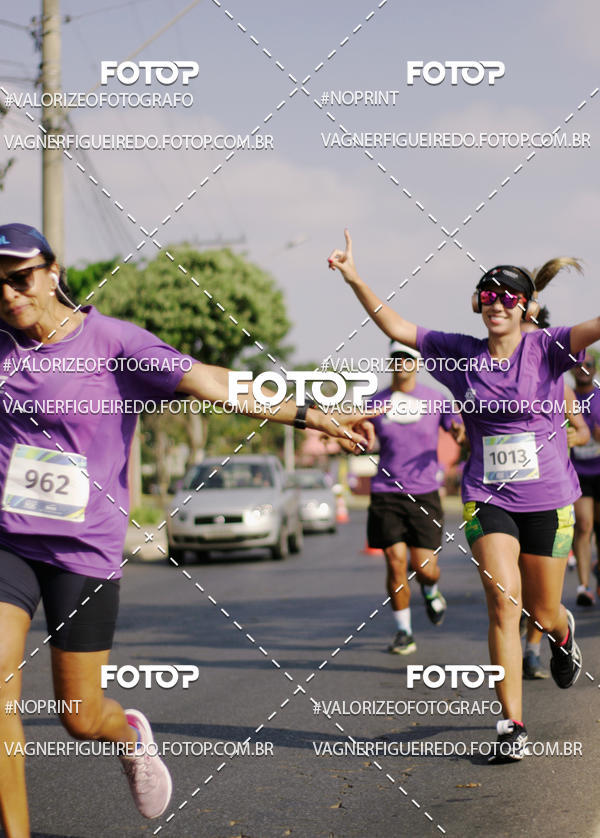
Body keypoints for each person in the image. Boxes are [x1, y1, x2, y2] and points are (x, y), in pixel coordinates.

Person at [0, 223, 376, 838]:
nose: (11, 295)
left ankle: (129, 736)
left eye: (21, 278)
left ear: (51, 271)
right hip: (8, 540)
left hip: (84, 551)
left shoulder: (113, 343)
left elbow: (219, 385)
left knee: (81, 715)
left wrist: (313, 414)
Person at [329, 230, 591, 763]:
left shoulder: (549, 346)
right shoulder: (457, 354)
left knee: (542, 611)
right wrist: (355, 277)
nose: (497, 303)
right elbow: (396, 326)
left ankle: (562, 636)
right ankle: (512, 725)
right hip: (486, 499)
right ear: (478, 304)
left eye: (508, 296)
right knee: (503, 605)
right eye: (488, 295)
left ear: (526, 307)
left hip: (549, 498)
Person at [368, 339, 461, 654]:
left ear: (417, 363)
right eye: (396, 358)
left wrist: (461, 432)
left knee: (424, 568)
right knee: (395, 563)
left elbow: (456, 429)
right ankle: (404, 632)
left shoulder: (435, 399)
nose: (401, 364)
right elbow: (361, 439)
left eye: (407, 359)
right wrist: (346, 440)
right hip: (385, 494)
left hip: (424, 494)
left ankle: (432, 590)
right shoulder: (376, 402)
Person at [519, 298, 590, 679]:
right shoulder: (491, 377)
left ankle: (533, 647)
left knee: (537, 592)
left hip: (548, 494)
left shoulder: (557, 382)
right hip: (499, 497)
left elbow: (581, 431)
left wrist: (554, 441)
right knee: (508, 585)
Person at [570, 351, 600, 605]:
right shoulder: (564, 397)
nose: (583, 368)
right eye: (578, 365)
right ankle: (583, 587)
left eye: (588, 365)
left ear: (595, 369)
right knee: (584, 525)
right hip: (579, 472)